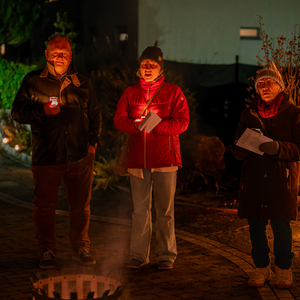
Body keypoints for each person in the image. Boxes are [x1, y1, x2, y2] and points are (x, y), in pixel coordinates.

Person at [11, 33, 102, 269]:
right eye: (55, 52)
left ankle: (80, 247)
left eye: (64, 52)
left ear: (71, 55)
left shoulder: (82, 82)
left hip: (80, 155)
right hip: (47, 156)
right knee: (44, 206)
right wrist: (42, 112)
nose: (59, 56)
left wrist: (92, 145)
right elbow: (17, 113)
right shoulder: (33, 81)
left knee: (81, 206)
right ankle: (47, 250)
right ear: (47, 54)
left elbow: (95, 114)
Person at [114, 46, 189, 270]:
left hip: (165, 158)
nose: (147, 69)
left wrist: (159, 127)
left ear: (160, 68)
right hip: (138, 159)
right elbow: (118, 118)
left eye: (152, 65)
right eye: (144, 64)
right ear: (139, 67)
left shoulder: (173, 92)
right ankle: (138, 255)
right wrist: (134, 125)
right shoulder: (130, 92)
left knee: (165, 210)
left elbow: (183, 122)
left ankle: (166, 255)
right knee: (139, 211)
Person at [232, 61, 300, 289]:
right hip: (253, 180)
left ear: (280, 87)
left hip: (281, 180)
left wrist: (278, 148)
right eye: (261, 82)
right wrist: (242, 147)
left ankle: (283, 270)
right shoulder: (248, 113)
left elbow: (299, 148)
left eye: (270, 82)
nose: (265, 86)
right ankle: (261, 269)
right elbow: (237, 149)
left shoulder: (294, 113)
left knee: (281, 227)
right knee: (255, 227)